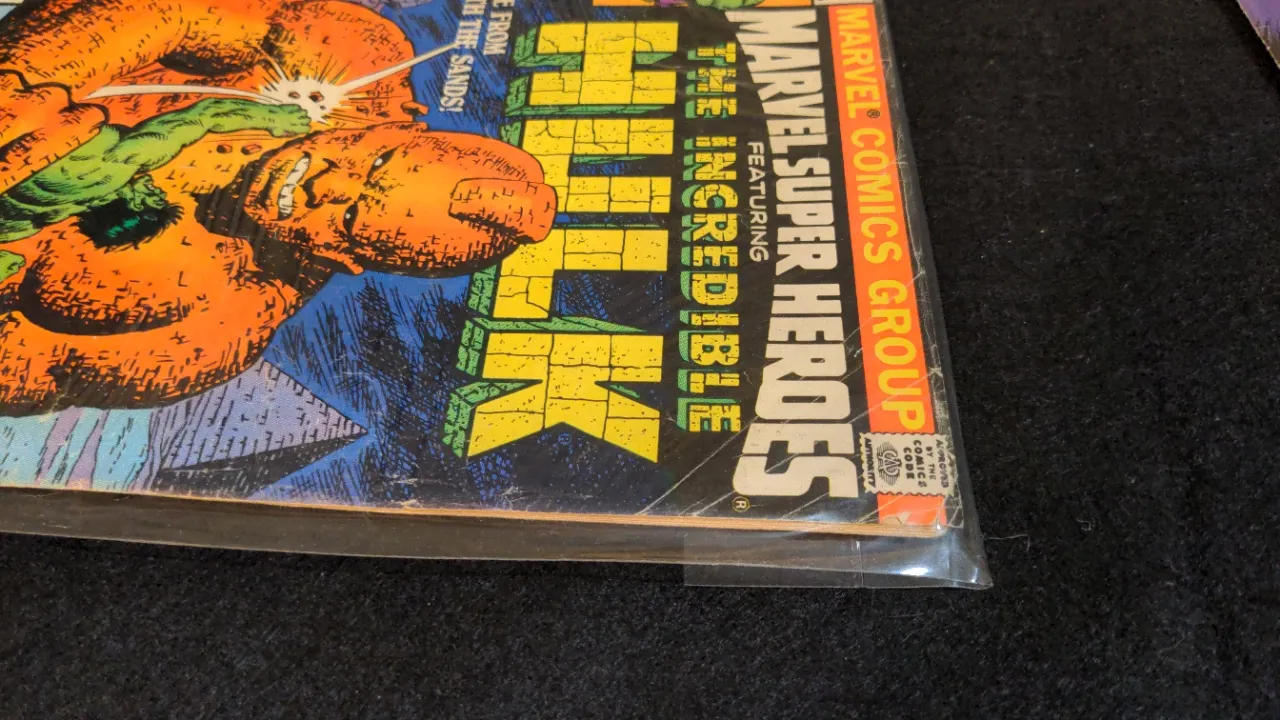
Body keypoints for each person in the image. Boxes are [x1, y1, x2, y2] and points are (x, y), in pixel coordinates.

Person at [0, 0, 557, 415]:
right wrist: (24, 82)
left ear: (345, 257)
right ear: (402, 129)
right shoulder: (351, 56)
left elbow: (28, 372)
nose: (325, 183)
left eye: (348, 218)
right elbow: (160, 11)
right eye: (374, 163)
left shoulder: (207, 329)